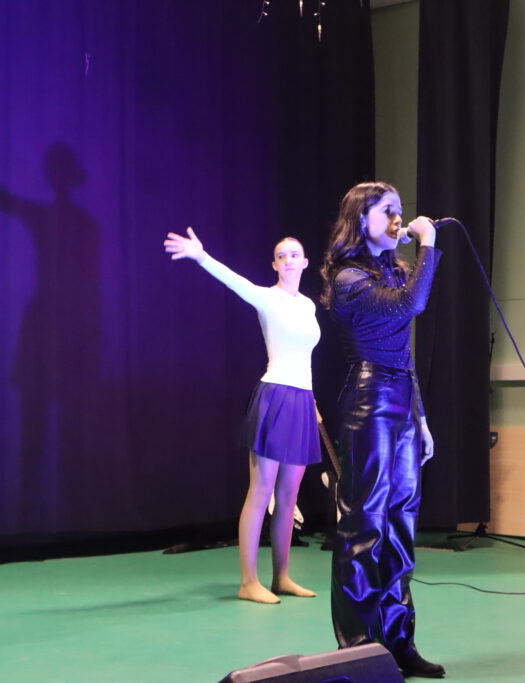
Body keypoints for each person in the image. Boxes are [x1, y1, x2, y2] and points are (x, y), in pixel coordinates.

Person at [321, 182, 445, 678]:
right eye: (387, 210)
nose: (398, 219)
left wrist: (421, 417)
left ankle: (399, 643)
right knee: (364, 525)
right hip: (368, 400)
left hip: (402, 400)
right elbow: (410, 307)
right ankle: (358, 651)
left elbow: (404, 349)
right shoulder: (349, 277)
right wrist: (428, 245)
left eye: (400, 210)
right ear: (361, 218)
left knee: (401, 523)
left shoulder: (393, 270)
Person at [164, 227, 321, 604]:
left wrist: (312, 400)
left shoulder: (309, 306)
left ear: (305, 263)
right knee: (261, 491)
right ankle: (249, 581)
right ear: (274, 265)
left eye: (294, 254)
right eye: (281, 256)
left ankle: (282, 577)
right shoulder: (266, 298)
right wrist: (201, 256)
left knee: (289, 495)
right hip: (275, 397)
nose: (287, 260)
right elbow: (232, 280)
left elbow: (304, 358)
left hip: (302, 400)